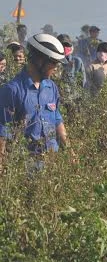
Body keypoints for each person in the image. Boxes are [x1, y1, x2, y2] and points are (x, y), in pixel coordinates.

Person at [0, 33, 69, 165]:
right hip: (26, 165)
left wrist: (70, 152)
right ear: (39, 60)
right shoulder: (11, 90)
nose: (56, 68)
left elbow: (57, 120)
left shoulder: (51, 87)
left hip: (52, 163)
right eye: (53, 62)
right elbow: (3, 132)